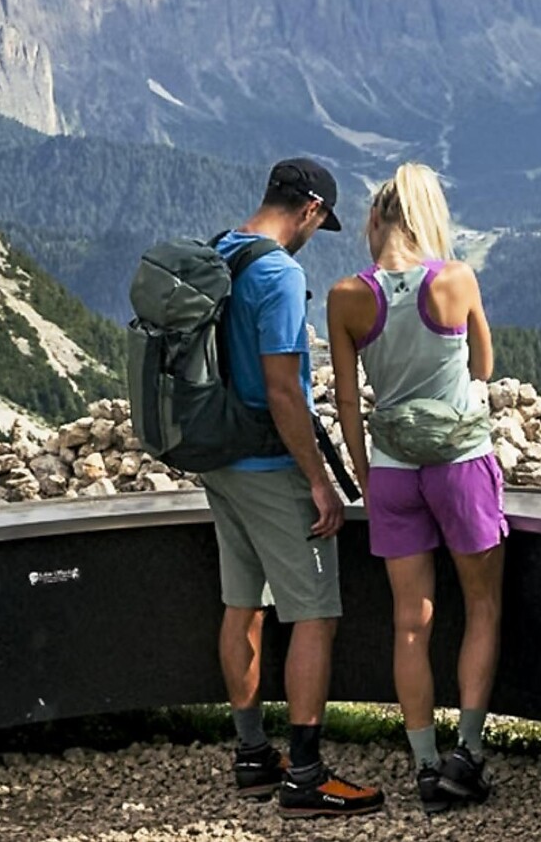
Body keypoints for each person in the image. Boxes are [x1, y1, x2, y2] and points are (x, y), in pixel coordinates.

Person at [202, 157, 385, 818]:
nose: (317, 233)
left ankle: (253, 756)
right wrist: (319, 481)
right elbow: (284, 389)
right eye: (320, 222)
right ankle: (305, 777)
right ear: (309, 209)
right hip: (269, 467)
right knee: (313, 612)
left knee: (241, 602)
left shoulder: (220, 249)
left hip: (218, 459)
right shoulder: (278, 272)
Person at [329, 162, 505, 813]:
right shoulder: (455, 278)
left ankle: (427, 768)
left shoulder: (347, 294)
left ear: (376, 220)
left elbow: (348, 400)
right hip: (460, 464)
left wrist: (366, 475)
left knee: (411, 623)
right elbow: (484, 365)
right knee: (482, 606)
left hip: (394, 470)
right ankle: (469, 754)